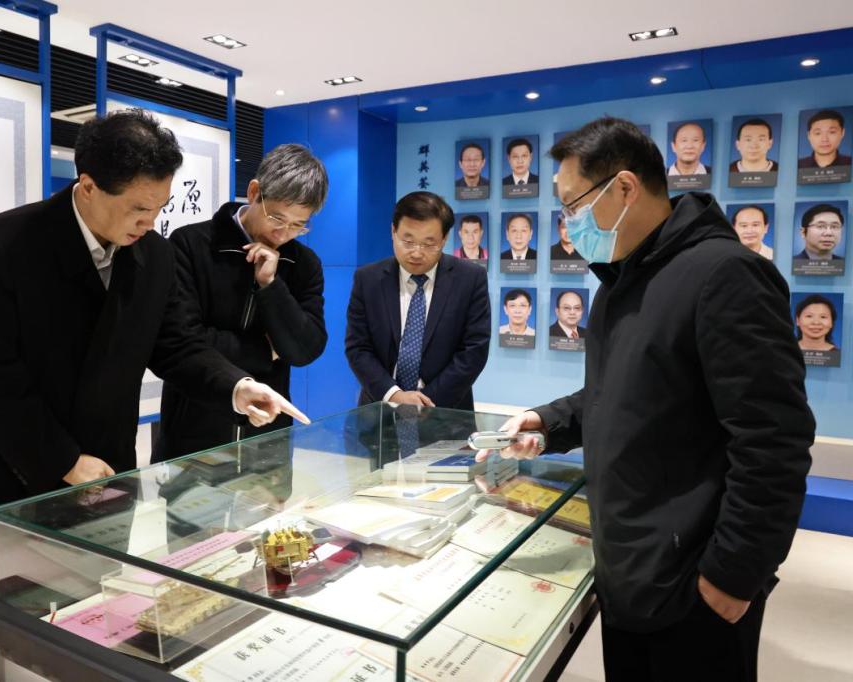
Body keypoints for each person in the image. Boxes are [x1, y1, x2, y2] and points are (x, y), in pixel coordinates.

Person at [477, 117, 814, 682]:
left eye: (573, 205)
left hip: (692, 582)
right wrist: (547, 421)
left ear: (625, 188)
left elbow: (774, 440)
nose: (568, 223)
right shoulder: (623, 281)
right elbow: (620, 391)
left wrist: (732, 575)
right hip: (631, 567)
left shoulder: (725, 275)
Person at [0, 110, 305, 595]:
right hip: (14, 467)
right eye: (138, 208)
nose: (150, 222)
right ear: (88, 186)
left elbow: (175, 344)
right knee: (3, 614)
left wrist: (236, 386)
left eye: (160, 207)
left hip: (104, 471)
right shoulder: (3, 244)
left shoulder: (154, 254)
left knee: (86, 606)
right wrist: (63, 459)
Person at [153, 144, 329, 462]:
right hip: (193, 436)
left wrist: (270, 285)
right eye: (277, 217)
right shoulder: (191, 245)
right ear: (254, 192)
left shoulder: (304, 264)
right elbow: (183, 342)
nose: (284, 233)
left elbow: (305, 349)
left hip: (268, 440)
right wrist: (266, 352)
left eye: (298, 225)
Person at [345, 191, 490, 410]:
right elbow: (358, 348)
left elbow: (474, 351)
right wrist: (394, 395)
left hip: (446, 411)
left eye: (429, 244)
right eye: (408, 241)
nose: (416, 253)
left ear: (444, 239)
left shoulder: (470, 279)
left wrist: (423, 402)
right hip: (380, 409)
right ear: (393, 231)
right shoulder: (368, 279)